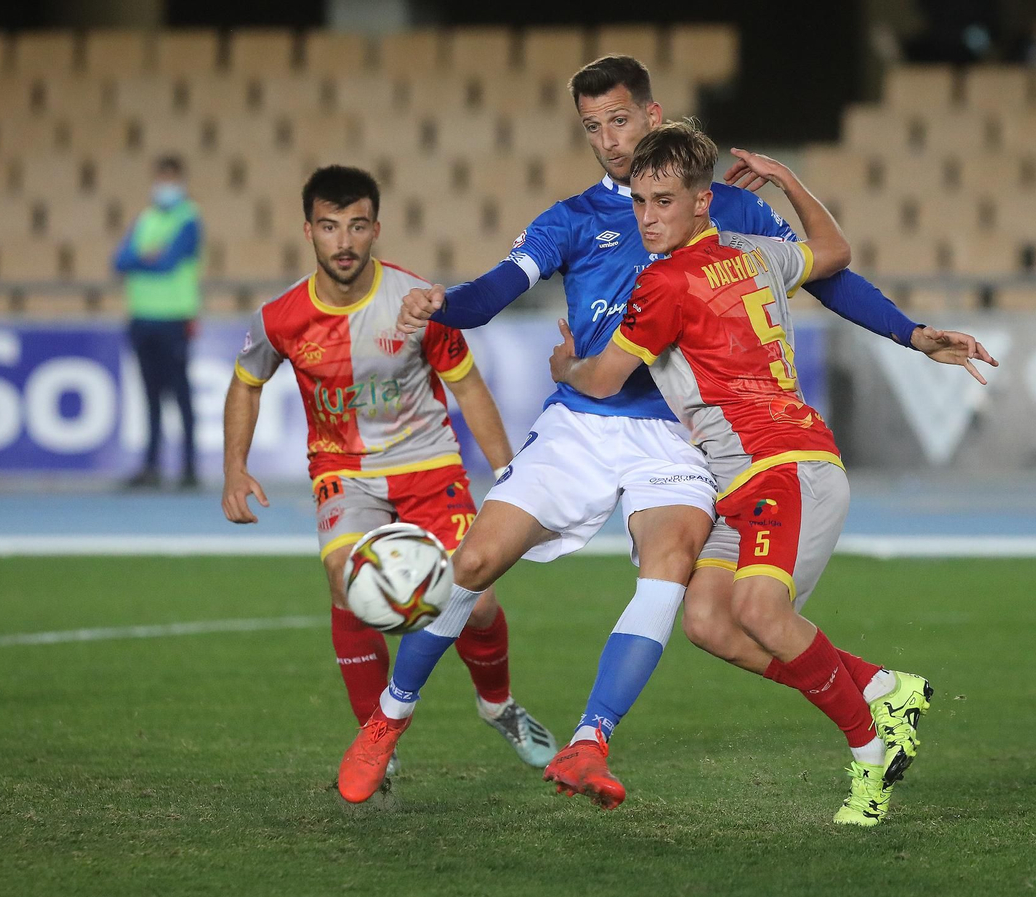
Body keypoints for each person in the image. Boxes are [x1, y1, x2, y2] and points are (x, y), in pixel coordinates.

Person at [337, 55, 989, 806]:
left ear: (652, 115)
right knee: (477, 560)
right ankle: (388, 719)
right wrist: (443, 302)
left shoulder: (718, 208)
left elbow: (829, 274)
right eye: (592, 127)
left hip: (679, 438)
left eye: (619, 120)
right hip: (584, 424)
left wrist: (910, 333)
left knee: (677, 573)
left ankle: (591, 741)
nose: (609, 140)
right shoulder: (572, 219)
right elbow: (497, 290)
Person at [551, 122, 996, 824]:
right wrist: (790, 183)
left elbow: (603, 382)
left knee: (759, 612)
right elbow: (836, 254)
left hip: (784, 467)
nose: (648, 217)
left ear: (704, 200)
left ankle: (869, 759)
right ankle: (884, 686)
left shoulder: (661, 282)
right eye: (639, 201)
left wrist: (566, 366)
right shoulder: (754, 253)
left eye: (663, 201)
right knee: (707, 621)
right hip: (758, 479)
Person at [222, 166, 556, 789]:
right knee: (344, 582)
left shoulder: (415, 302)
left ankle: (498, 705)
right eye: (329, 227)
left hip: (428, 465)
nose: (343, 242)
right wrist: (233, 467)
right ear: (309, 231)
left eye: (355, 226)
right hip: (343, 471)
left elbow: (470, 388)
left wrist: (510, 473)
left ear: (376, 228)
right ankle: (377, 739)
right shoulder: (282, 317)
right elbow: (246, 383)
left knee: (477, 605)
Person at [113, 155, 202, 490]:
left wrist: (143, 258)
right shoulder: (146, 219)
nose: (165, 186)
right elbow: (119, 260)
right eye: (161, 178)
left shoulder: (189, 219)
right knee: (150, 395)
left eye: (170, 179)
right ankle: (151, 466)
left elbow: (167, 262)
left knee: (180, 393)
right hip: (142, 318)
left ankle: (189, 468)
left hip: (174, 318)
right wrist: (145, 257)